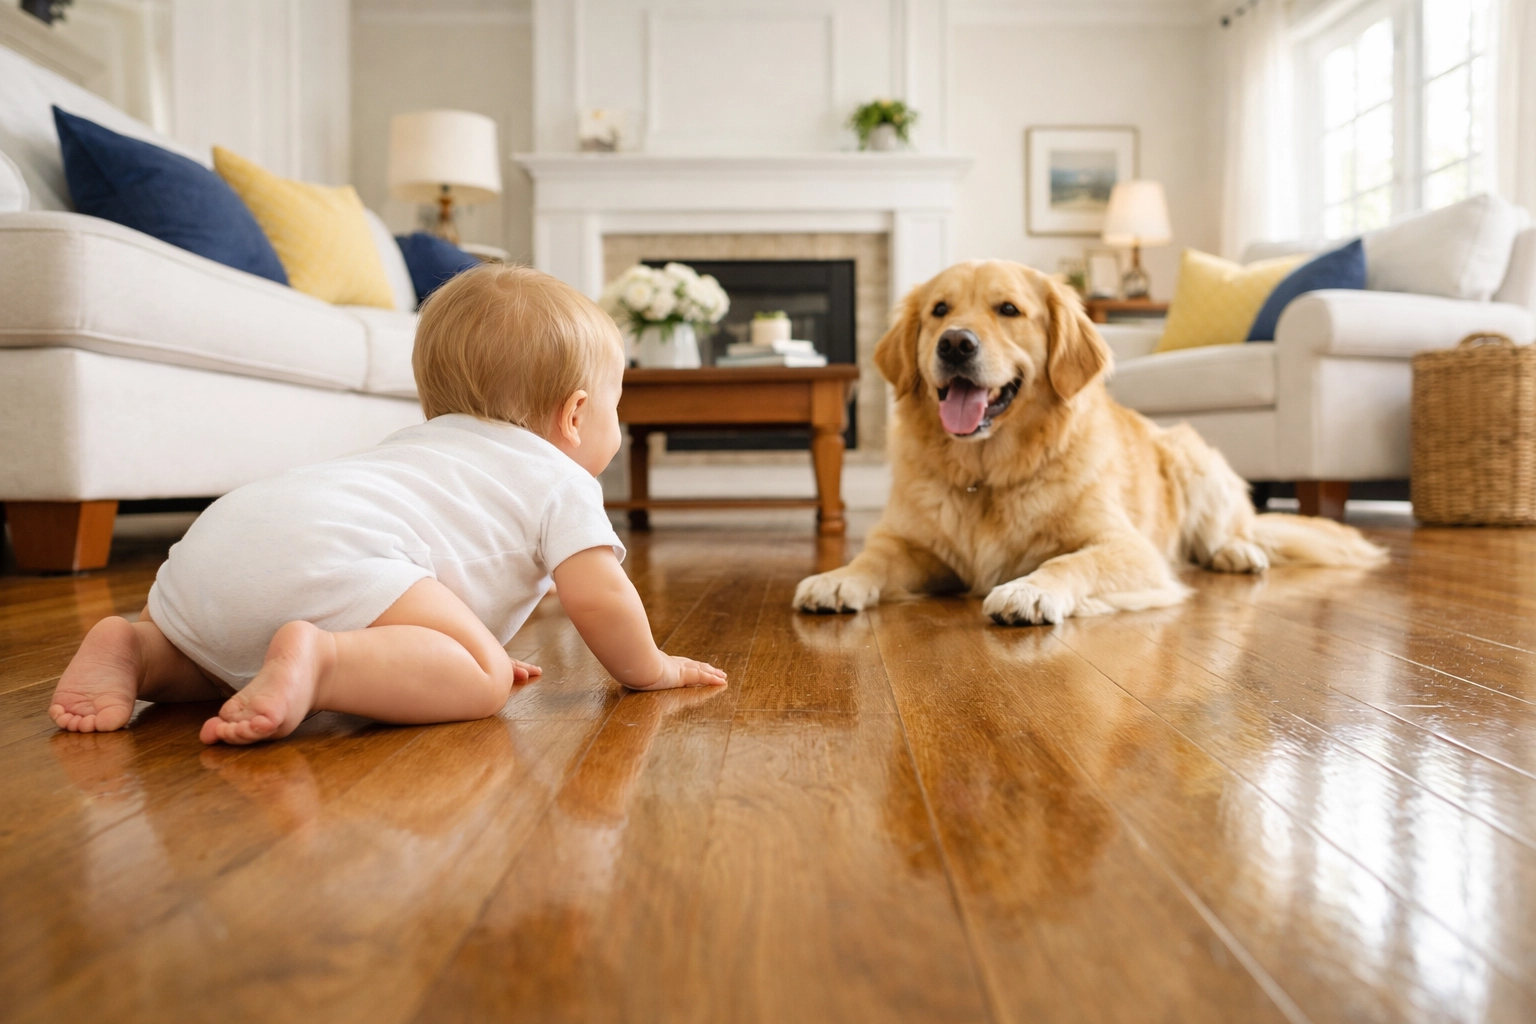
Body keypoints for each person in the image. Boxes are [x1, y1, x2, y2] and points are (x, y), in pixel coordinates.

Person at [49, 264, 726, 745]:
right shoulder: (560, 479)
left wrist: (447, 641)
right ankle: (323, 661)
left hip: (223, 540)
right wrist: (653, 669)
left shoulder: (416, 446)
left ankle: (137, 648)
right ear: (576, 416)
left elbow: (434, 563)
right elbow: (600, 600)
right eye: (617, 404)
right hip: (328, 558)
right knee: (484, 679)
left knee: (207, 663)